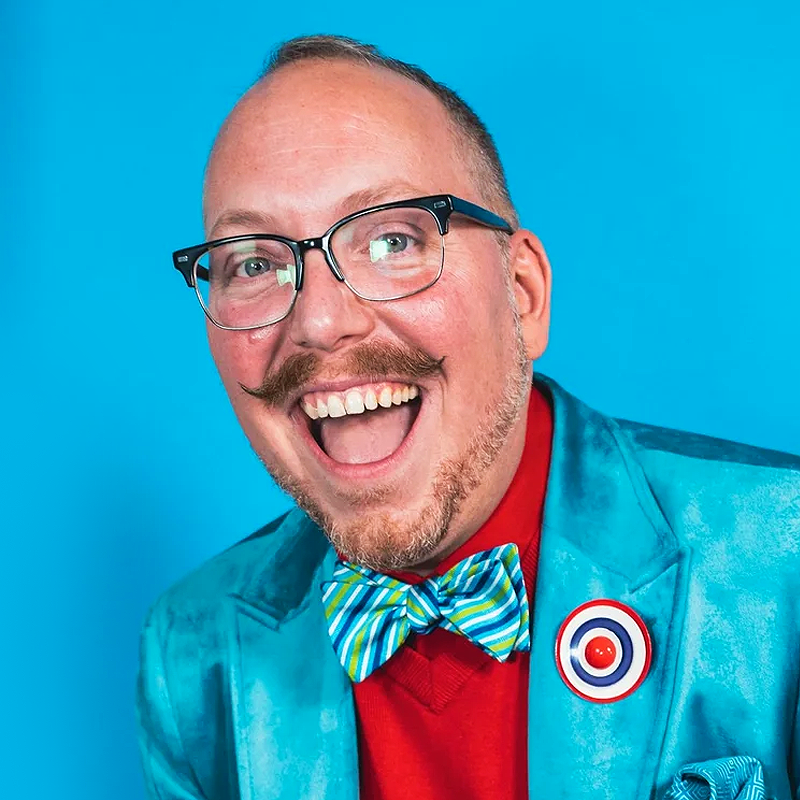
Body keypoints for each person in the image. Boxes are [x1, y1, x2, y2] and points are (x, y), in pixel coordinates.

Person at [136, 35, 800, 800]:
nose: (319, 322)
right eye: (254, 263)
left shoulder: (781, 562)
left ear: (523, 294)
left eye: (392, 240)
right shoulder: (191, 656)